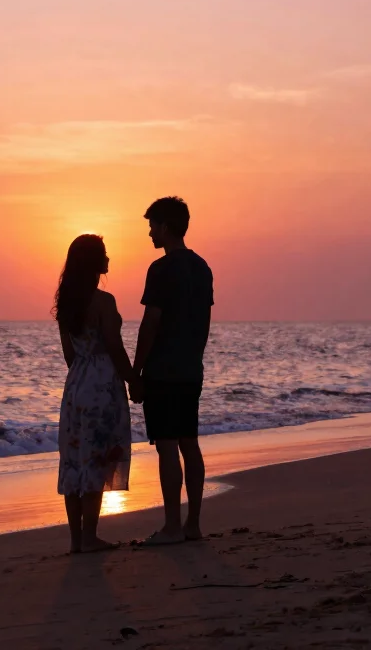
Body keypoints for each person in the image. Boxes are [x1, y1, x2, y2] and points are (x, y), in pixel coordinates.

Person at [130, 196, 214, 545]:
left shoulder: (161, 269)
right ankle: (192, 524)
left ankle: (171, 527)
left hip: (163, 369)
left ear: (165, 226)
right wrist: (194, 355)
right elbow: (204, 323)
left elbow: (150, 323)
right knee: (189, 444)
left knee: (166, 446)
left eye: (152, 225)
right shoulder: (202, 268)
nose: (149, 232)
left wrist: (136, 371)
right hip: (190, 368)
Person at [54, 234, 133, 553]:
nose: (109, 258)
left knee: (74, 460)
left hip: (76, 385)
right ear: (93, 262)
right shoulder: (104, 301)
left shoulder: (66, 303)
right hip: (102, 384)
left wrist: (83, 372)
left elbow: (68, 355)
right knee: (96, 457)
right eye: (103, 253)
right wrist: (132, 379)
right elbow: (114, 346)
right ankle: (90, 537)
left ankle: (76, 540)